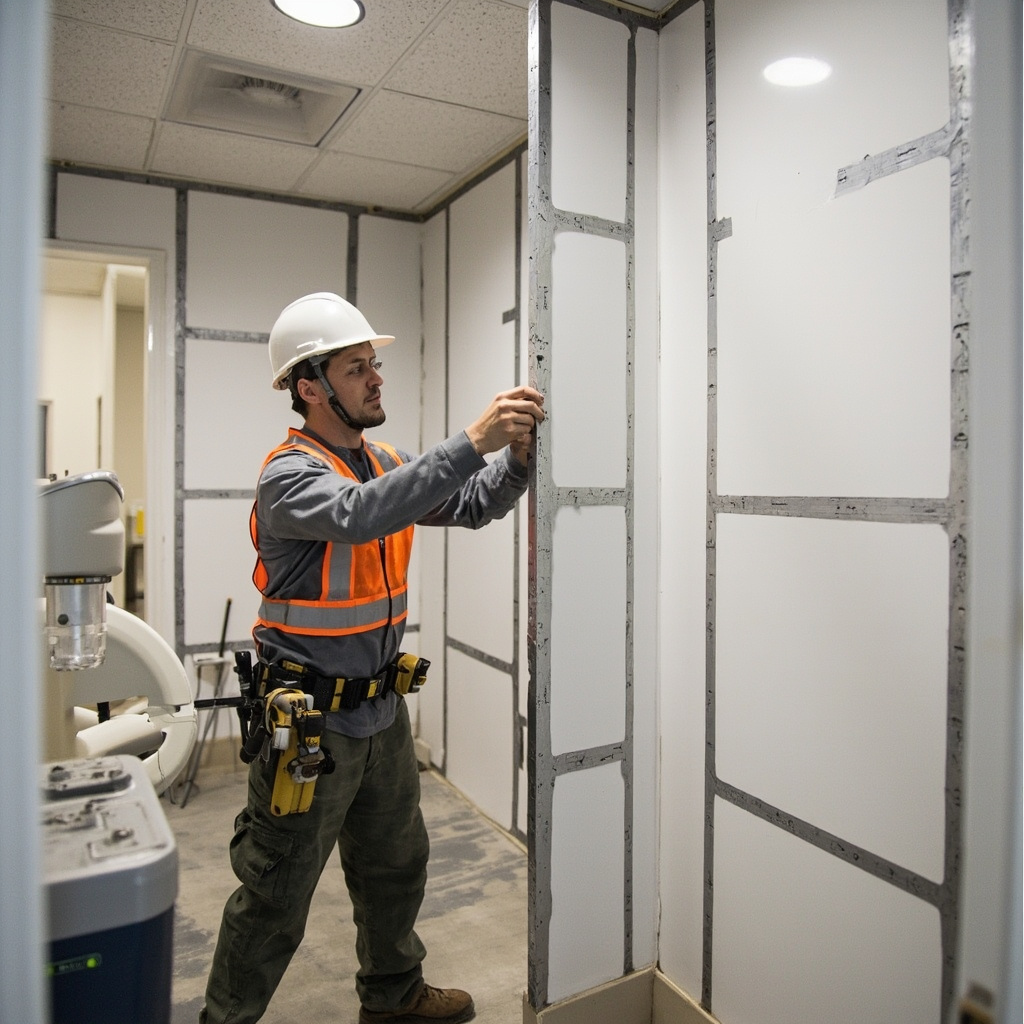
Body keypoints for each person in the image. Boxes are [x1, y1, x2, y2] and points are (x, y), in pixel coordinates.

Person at [201, 292, 545, 1024]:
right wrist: (472, 439)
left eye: (374, 365)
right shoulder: (289, 477)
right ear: (310, 387)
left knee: (396, 868)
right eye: (357, 368)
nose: (375, 378)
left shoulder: (383, 461)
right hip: (309, 726)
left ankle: (392, 997)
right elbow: (361, 515)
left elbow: (471, 503)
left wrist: (512, 463)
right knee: (275, 894)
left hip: (380, 713)